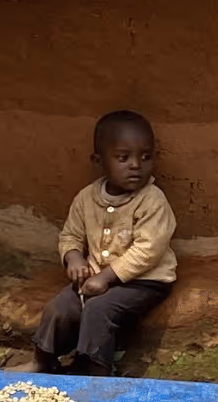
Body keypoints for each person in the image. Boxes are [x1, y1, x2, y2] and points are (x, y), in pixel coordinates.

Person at [38, 110, 176, 375]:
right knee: (60, 307)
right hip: (98, 277)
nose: (136, 165)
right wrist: (74, 257)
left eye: (145, 157)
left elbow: (149, 250)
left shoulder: (152, 200)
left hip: (145, 281)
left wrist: (108, 277)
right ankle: (42, 359)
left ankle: (94, 368)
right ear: (99, 161)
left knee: (99, 309)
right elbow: (70, 235)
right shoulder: (86, 198)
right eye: (123, 158)